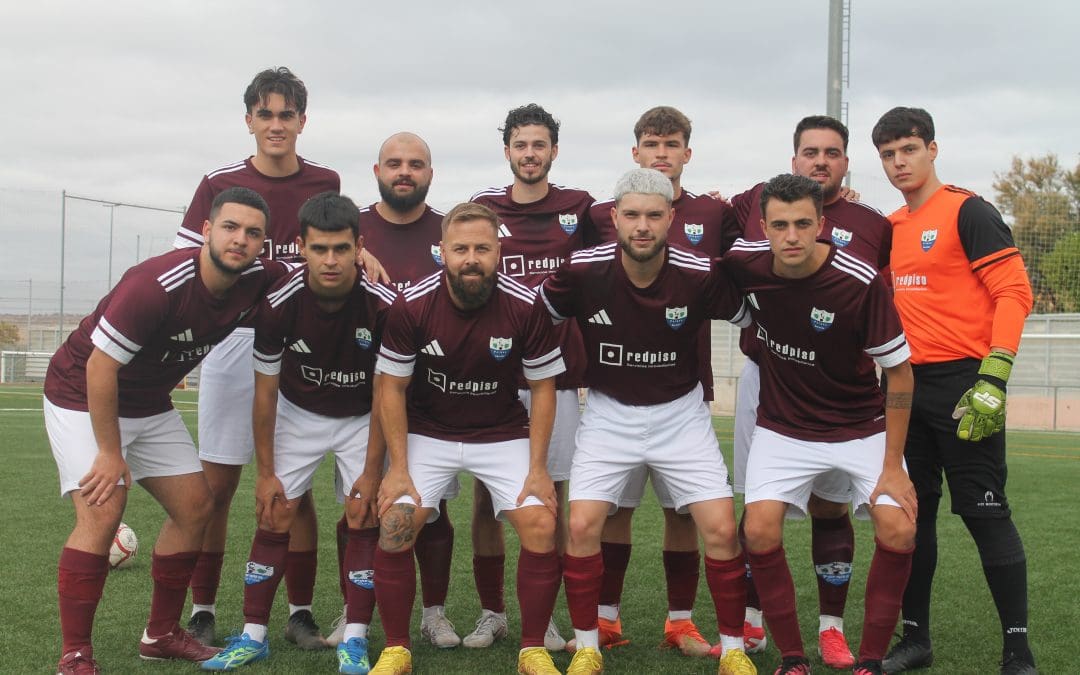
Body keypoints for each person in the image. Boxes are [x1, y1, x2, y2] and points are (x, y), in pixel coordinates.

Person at [45, 188, 287, 674]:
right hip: (81, 391)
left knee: (197, 506)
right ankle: (74, 653)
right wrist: (111, 454)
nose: (240, 240)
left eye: (253, 233)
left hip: (149, 402)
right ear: (206, 231)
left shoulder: (261, 279)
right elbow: (99, 368)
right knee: (103, 506)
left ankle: (160, 635)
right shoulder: (154, 284)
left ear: (264, 244)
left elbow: (314, 274)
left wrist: (364, 253)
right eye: (230, 227)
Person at [541, 168, 755, 675]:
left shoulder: (700, 272)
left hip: (681, 414)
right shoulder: (582, 269)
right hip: (609, 413)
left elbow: (753, 319)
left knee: (722, 529)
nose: (642, 226)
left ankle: (734, 653)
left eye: (654, 216)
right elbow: (533, 317)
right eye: (632, 215)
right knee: (582, 522)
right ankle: (590, 644)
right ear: (613, 218)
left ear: (671, 220)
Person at [172, 67, 344, 650]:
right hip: (230, 343)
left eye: (287, 114)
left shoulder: (325, 181)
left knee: (292, 492)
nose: (276, 124)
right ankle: (202, 609)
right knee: (216, 488)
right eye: (265, 114)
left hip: (295, 346)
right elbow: (190, 270)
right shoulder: (217, 183)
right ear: (249, 120)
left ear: (302, 120)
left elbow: (333, 252)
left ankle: (299, 613)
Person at [725, 173, 916, 675]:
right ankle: (791, 658)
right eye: (780, 224)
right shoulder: (743, 266)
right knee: (760, 528)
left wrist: (893, 467)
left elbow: (898, 372)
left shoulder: (858, 281)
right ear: (762, 227)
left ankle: (870, 660)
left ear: (822, 225)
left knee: (897, 527)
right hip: (783, 427)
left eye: (803, 224)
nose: (791, 236)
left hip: (861, 426)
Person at [200, 193, 395, 674]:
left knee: (362, 512)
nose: (331, 260)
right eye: (320, 249)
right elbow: (264, 394)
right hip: (298, 410)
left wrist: (372, 473)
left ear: (359, 247)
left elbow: (386, 395)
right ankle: (253, 635)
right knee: (275, 509)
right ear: (301, 247)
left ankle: (355, 638)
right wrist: (265, 472)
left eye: (342, 249)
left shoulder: (384, 305)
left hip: (361, 416)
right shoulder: (279, 304)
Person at [872, 107, 1037, 675]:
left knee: (986, 512)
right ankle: (915, 639)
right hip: (904, 389)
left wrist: (995, 374)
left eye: (909, 149)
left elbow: (1014, 291)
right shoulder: (889, 227)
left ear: (932, 149)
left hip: (967, 383)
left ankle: (1018, 651)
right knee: (910, 517)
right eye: (889, 154)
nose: (899, 162)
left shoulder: (968, 211)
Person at [368, 202, 566, 675]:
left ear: (500, 250)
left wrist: (538, 468)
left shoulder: (525, 304)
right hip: (429, 431)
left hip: (500, 432)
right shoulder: (411, 304)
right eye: (460, 249)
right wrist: (396, 468)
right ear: (442, 252)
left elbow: (543, 389)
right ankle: (396, 649)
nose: (471, 258)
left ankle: (532, 648)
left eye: (482, 247)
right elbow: (390, 388)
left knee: (541, 524)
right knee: (395, 524)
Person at [583, 106, 741, 657]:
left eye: (672, 144)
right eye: (652, 144)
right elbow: (580, 279)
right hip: (616, 390)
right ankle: (604, 620)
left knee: (684, 512)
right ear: (636, 152)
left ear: (687, 154)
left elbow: (748, 259)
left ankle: (680, 623)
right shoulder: (604, 213)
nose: (661, 154)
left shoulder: (715, 212)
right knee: (614, 511)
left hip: (683, 386)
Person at [468, 103, 594, 651]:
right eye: (520, 145)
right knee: (484, 498)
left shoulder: (581, 208)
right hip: (494, 376)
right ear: (507, 152)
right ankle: (492, 612)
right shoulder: (483, 208)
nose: (530, 154)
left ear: (553, 152)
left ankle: (545, 619)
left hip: (558, 379)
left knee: (550, 497)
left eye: (539, 145)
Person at [348, 131, 460, 650]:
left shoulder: (448, 232)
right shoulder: (354, 230)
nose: (404, 172)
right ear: (377, 171)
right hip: (362, 396)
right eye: (394, 163)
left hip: (434, 398)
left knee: (430, 510)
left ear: (430, 174)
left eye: (416, 164)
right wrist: (356, 258)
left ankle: (433, 614)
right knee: (362, 505)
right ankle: (356, 614)